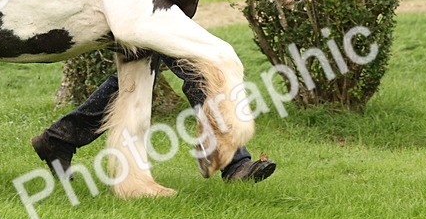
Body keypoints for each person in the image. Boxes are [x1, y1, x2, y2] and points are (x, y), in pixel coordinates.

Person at [31, 55, 277, 183]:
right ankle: (232, 161)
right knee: (197, 70)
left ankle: (60, 139)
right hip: (148, 3)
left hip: (153, 2)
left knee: (134, 79)